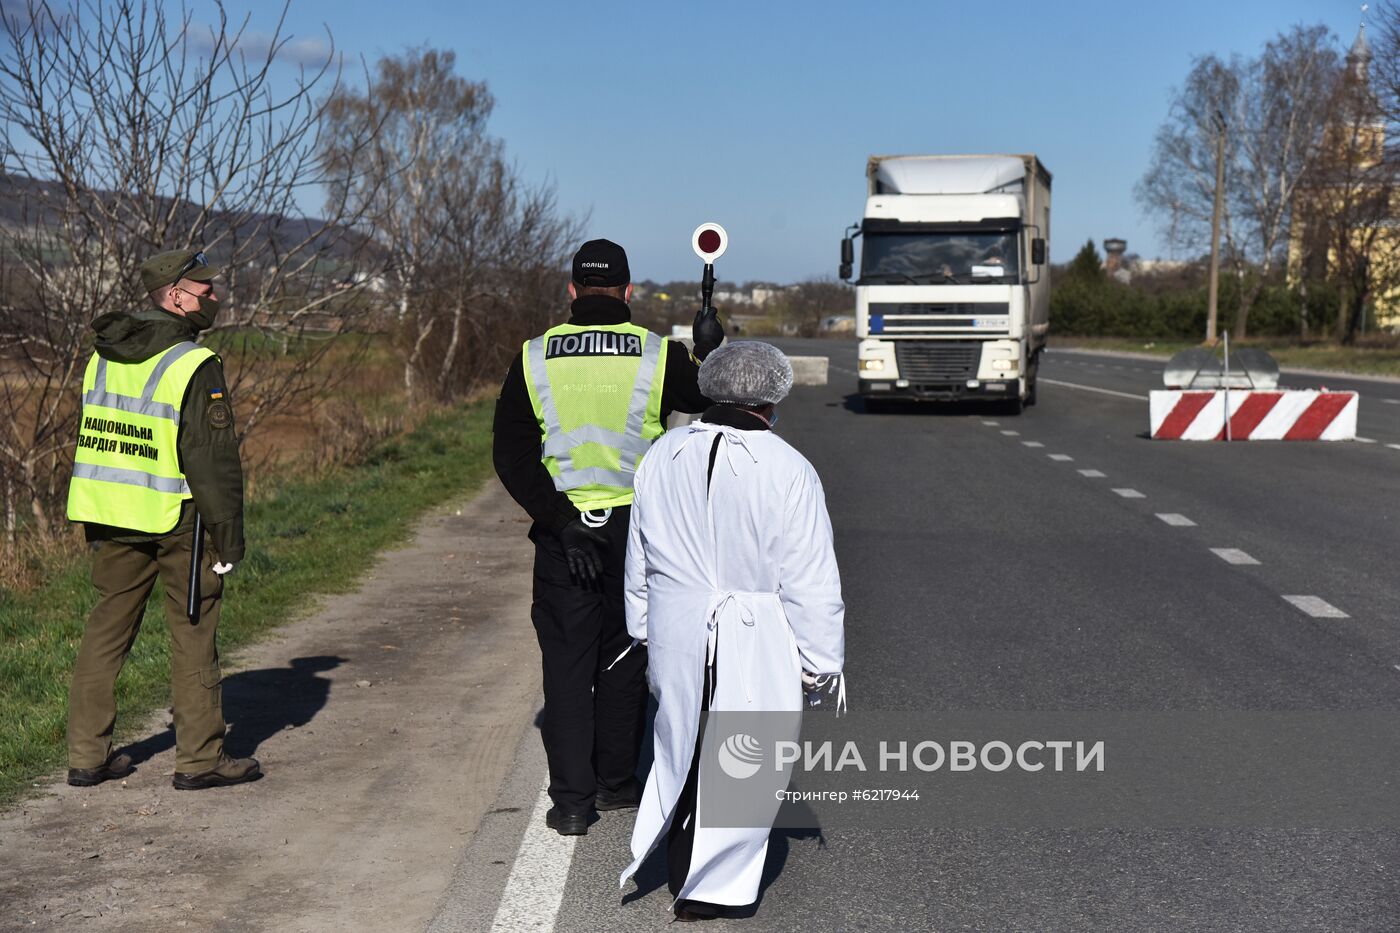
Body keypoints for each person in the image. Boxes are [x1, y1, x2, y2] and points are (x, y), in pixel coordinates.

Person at [493, 238, 724, 836]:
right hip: (635, 530)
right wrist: (707, 349)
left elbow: (511, 454)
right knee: (624, 656)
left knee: (566, 666)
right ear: (627, 291)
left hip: (562, 531)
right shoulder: (656, 354)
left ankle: (572, 803)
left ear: (571, 290)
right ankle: (617, 783)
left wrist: (558, 518)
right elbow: (710, 399)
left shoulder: (533, 356)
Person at [619, 341, 845, 920]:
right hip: (755, 629)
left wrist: (643, 622)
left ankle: (678, 864)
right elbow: (810, 577)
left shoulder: (663, 454)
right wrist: (821, 662)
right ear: (772, 400)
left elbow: (639, 552)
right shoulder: (790, 467)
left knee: (680, 742)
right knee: (747, 750)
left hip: (677, 620)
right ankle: (713, 885)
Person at [65, 248, 260, 790]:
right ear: (175, 295)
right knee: (193, 632)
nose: (214, 299)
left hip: (111, 514)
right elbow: (213, 462)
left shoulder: (102, 356)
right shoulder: (193, 364)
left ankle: (86, 755)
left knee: (105, 632)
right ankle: (199, 760)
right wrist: (229, 539)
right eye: (205, 290)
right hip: (178, 516)